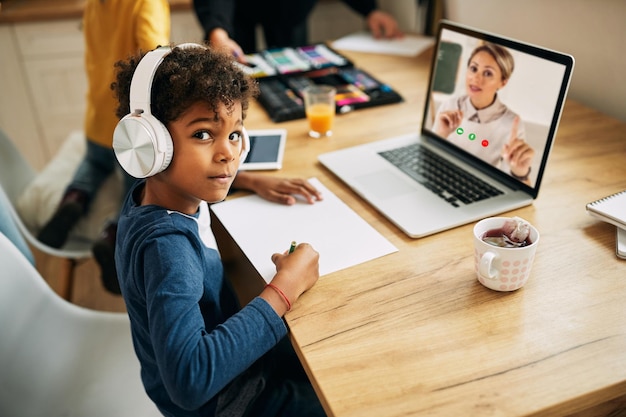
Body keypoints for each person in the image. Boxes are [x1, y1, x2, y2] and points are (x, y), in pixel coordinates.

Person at [112, 43, 326, 416]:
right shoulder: (168, 251)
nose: (227, 153)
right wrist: (284, 289)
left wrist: (247, 180)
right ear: (151, 146)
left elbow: (196, 167)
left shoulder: (156, 196)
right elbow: (190, 380)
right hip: (232, 401)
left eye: (234, 134)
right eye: (203, 135)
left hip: (234, 370)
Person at [37, 0, 171, 293]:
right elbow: (154, 59)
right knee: (135, 189)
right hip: (129, 124)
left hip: (97, 116)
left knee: (95, 164)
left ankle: (73, 199)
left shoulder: (94, 5)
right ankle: (113, 235)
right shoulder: (146, 3)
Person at [432, 42, 535, 185]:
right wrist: (440, 134)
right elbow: (429, 157)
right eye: (473, 69)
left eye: (488, 73)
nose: (476, 78)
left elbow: (516, 188)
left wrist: (520, 173)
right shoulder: (449, 106)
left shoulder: (511, 124)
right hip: (440, 178)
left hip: (478, 187)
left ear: (503, 83)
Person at [193, 0, 403, 59]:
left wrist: (370, 10)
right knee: (238, 78)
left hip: (291, 13)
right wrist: (217, 29)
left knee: (293, 72)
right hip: (236, 13)